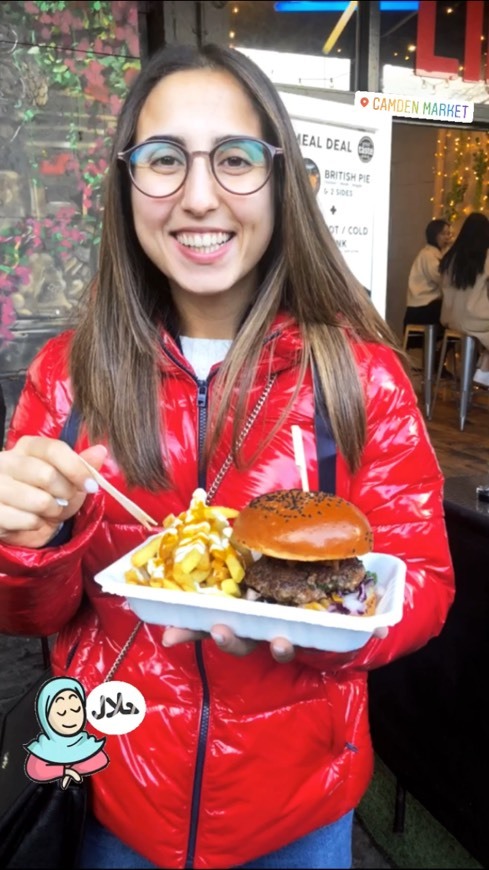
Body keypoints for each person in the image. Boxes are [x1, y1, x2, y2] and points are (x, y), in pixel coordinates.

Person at [0, 43, 454, 870]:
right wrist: (23, 544)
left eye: (235, 159)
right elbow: (28, 615)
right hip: (114, 785)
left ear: (279, 181)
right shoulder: (64, 377)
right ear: (126, 182)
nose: (199, 196)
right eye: (164, 159)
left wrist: (329, 630)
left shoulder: (360, 377)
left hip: (298, 815)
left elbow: (419, 580)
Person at [440, 211, 489, 388]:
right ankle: (484, 369)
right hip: (476, 319)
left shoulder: (449, 256)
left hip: (451, 319)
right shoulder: (486, 256)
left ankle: (484, 369)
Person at [403, 218, 452, 341]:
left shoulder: (433, 253)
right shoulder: (428, 255)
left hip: (423, 308)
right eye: (443, 234)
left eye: (448, 234)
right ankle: (438, 357)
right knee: (453, 321)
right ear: (434, 235)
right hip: (423, 310)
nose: (447, 238)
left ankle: (438, 356)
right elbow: (441, 279)